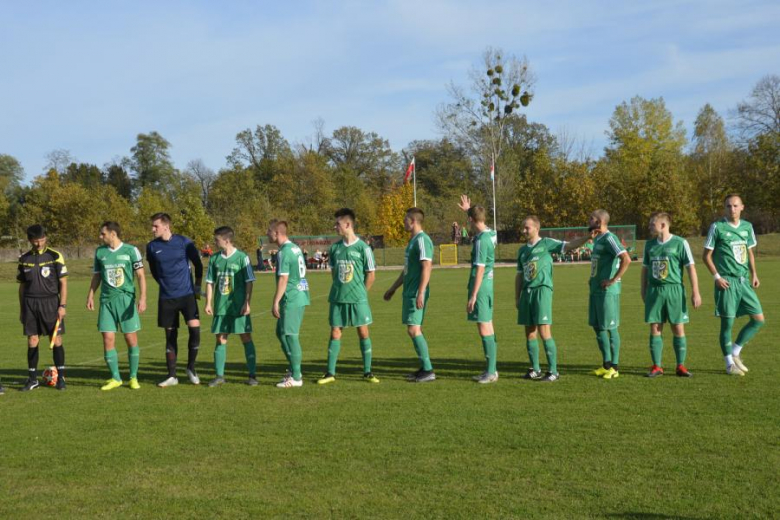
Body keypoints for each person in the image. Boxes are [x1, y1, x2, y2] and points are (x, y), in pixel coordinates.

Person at [515, 216, 590, 382]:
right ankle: (535, 369)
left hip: (542, 291)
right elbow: (519, 276)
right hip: (527, 293)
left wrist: (588, 237)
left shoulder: (547, 243)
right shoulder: (522, 251)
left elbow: (569, 245)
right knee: (529, 332)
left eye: (527, 228)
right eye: (523, 228)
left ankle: (553, 371)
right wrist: (517, 297)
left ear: (536, 228)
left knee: (544, 330)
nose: (524, 231)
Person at [702, 194, 764, 376]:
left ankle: (735, 352)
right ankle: (729, 364)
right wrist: (716, 277)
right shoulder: (717, 227)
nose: (732, 209)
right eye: (728, 206)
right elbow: (706, 256)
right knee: (727, 324)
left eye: (735, 206)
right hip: (727, 282)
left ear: (742, 207)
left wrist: (754, 274)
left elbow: (750, 252)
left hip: (744, 281)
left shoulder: (747, 227)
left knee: (759, 320)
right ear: (724, 208)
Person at [318, 208, 379, 385]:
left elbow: (371, 275)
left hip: (358, 299)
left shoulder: (363, 248)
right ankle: (330, 372)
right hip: (337, 298)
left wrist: (361, 292)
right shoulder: (335, 248)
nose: (335, 226)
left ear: (347, 224)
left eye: (337, 223)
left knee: (363, 331)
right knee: (335, 332)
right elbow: (334, 273)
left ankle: (367, 372)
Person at [86, 221, 147, 391]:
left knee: (130, 339)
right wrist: (91, 295)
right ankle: (116, 378)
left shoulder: (131, 250)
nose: (100, 236)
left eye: (102, 233)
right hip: (106, 302)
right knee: (107, 339)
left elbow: (141, 275)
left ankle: (133, 377)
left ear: (113, 234)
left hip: (126, 300)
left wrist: (142, 298)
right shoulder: (100, 252)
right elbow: (97, 276)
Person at [146, 213, 203, 388]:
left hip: (187, 295)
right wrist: (165, 285)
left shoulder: (184, 242)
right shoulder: (151, 247)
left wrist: (197, 286)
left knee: (195, 330)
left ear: (166, 226)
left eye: (155, 226)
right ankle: (172, 375)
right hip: (166, 298)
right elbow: (154, 271)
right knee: (170, 336)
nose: (152, 229)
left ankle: (191, 368)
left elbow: (198, 265)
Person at [641, 213, 701, 378]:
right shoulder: (649, 245)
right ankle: (657, 366)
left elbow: (690, 268)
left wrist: (695, 291)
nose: (649, 226)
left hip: (674, 290)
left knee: (678, 327)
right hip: (654, 290)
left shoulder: (680, 243)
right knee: (655, 327)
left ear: (662, 225)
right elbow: (645, 269)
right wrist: (643, 289)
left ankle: (680, 366)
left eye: (652, 224)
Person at [384, 208, 435, 383]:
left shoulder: (422, 240)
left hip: (415, 292)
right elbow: (406, 271)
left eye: (405, 219)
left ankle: (428, 370)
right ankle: (424, 368)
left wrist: (421, 291)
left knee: (414, 329)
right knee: (412, 330)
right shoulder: (412, 241)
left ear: (413, 221)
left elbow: (427, 267)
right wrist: (393, 288)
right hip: (408, 292)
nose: (403, 222)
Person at [204, 226, 257, 387]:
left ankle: (252, 375)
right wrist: (208, 302)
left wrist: (247, 302)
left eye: (217, 239)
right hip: (221, 306)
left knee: (245, 337)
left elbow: (249, 281)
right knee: (220, 338)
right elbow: (210, 282)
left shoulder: (242, 257)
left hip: (238, 306)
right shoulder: (214, 259)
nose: (215, 241)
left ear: (226, 240)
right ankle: (219, 376)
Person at [17, 224, 68, 391]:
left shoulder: (55, 256)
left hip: (51, 303)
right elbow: (22, 286)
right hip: (30, 304)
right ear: (30, 240)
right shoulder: (24, 258)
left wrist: (62, 305)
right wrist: (22, 308)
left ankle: (61, 378)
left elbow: (63, 282)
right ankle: (32, 379)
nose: (39, 243)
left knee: (56, 340)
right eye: (36, 240)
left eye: (42, 239)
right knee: (32, 340)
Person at [457, 195, 499, 383]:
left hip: (481, 287)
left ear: (471, 221)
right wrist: (469, 210)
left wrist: (473, 295)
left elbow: (480, 268)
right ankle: (491, 370)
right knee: (487, 324)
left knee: (483, 326)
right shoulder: (492, 233)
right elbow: (479, 221)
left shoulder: (482, 240)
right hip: (488, 285)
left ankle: (491, 372)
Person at [586, 209, 632, 379]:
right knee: (598, 328)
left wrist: (613, 280)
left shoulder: (609, 238)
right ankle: (606, 365)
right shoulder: (597, 238)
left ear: (599, 222)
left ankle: (615, 367)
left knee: (610, 328)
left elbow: (626, 259)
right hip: (595, 289)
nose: (588, 220)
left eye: (591, 218)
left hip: (607, 292)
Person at [267, 220, 310, 388]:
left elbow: (284, 278)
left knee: (291, 335)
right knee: (281, 332)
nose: (267, 234)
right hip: (299, 293)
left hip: (292, 297)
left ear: (277, 233)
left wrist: (275, 301)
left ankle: (297, 376)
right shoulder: (295, 248)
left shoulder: (284, 252)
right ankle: (293, 368)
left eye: (269, 231)